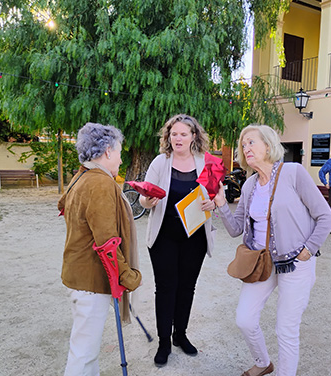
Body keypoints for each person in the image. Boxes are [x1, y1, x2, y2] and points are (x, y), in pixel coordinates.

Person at [213, 124, 331, 376]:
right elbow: (236, 229)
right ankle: (262, 362)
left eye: (251, 143)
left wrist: (308, 250)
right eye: (243, 144)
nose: (246, 148)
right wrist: (222, 204)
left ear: (268, 145)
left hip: (296, 262)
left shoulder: (293, 173)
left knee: (286, 329)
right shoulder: (249, 185)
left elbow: (325, 216)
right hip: (261, 262)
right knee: (244, 319)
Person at [58, 122, 142, 376]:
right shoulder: (100, 184)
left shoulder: (81, 176)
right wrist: (127, 276)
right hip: (91, 281)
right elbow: (107, 242)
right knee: (83, 353)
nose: (120, 157)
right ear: (107, 151)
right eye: (118, 151)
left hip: (82, 277)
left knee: (87, 349)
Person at [140, 114, 216, 367]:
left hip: (195, 238)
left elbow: (219, 195)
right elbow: (144, 196)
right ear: (168, 137)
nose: (178, 138)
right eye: (174, 134)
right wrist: (147, 201)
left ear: (194, 136)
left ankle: (180, 335)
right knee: (165, 288)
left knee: (187, 288)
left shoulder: (207, 162)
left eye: (183, 134)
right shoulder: (160, 163)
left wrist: (213, 202)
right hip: (164, 237)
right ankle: (163, 341)